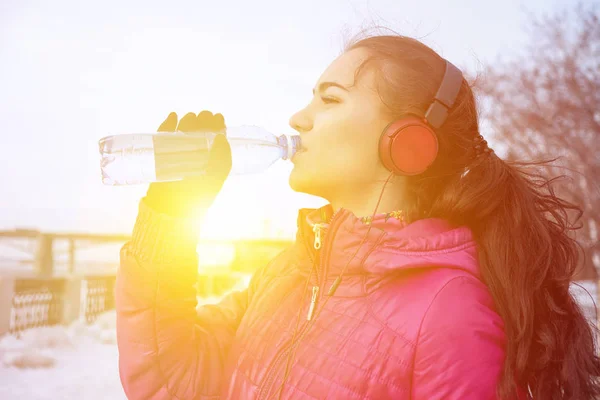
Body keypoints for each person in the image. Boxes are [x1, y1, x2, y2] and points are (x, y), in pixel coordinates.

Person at [115, 33, 600, 400]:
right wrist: (172, 219)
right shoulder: (288, 272)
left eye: (329, 99)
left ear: (406, 142)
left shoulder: (450, 311)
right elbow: (172, 379)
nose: (298, 119)